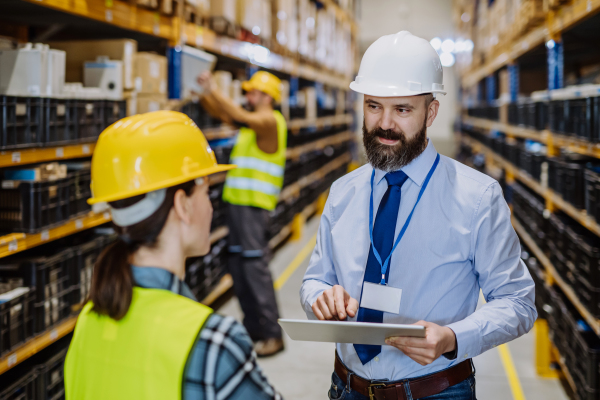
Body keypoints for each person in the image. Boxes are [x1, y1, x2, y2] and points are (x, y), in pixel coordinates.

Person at [300, 31, 537, 400]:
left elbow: (518, 303)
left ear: (431, 112)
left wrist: (453, 338)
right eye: (374, 106)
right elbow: (314, 280)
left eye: (403, 110)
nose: (385, 124)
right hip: (347, 387)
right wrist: (320, 297)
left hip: (435, 391)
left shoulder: (477, 198)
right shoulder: (342, 193)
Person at [64, 111, 282, 400]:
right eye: (205, 191)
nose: (211, 206)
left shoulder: (88, 321)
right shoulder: (215, 341)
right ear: (183, 205)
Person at [197, 70, 286, 357]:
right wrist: (204, 94)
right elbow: (229, 116)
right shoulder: (251, 124)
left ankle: (273, 334)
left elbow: (238, 115)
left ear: (268, 97)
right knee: (238, 267)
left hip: (253, 207)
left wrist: (213, 87)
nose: (248, 97)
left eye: (254, 93)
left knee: (254, 268)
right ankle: (253, 331)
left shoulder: (270, 121)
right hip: (237, 204)